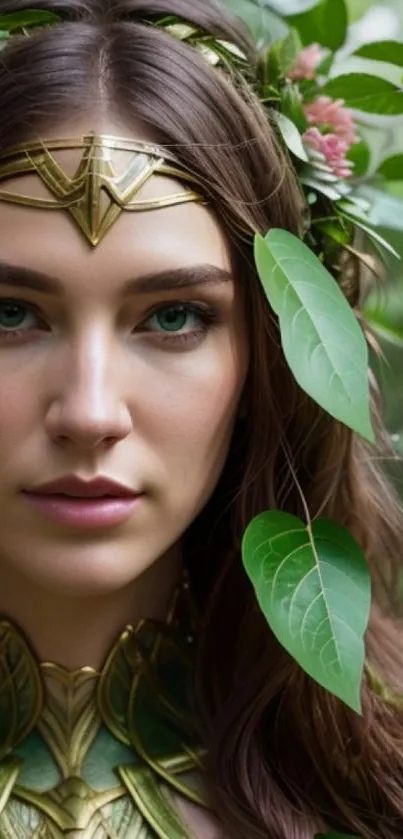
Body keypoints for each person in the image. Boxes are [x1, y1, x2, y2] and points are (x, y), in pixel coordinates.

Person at [0, 1, 402, 837]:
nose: (88, 412)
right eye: (8, 314)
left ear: (273, 354)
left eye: (174, 316)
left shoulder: (376, 785)